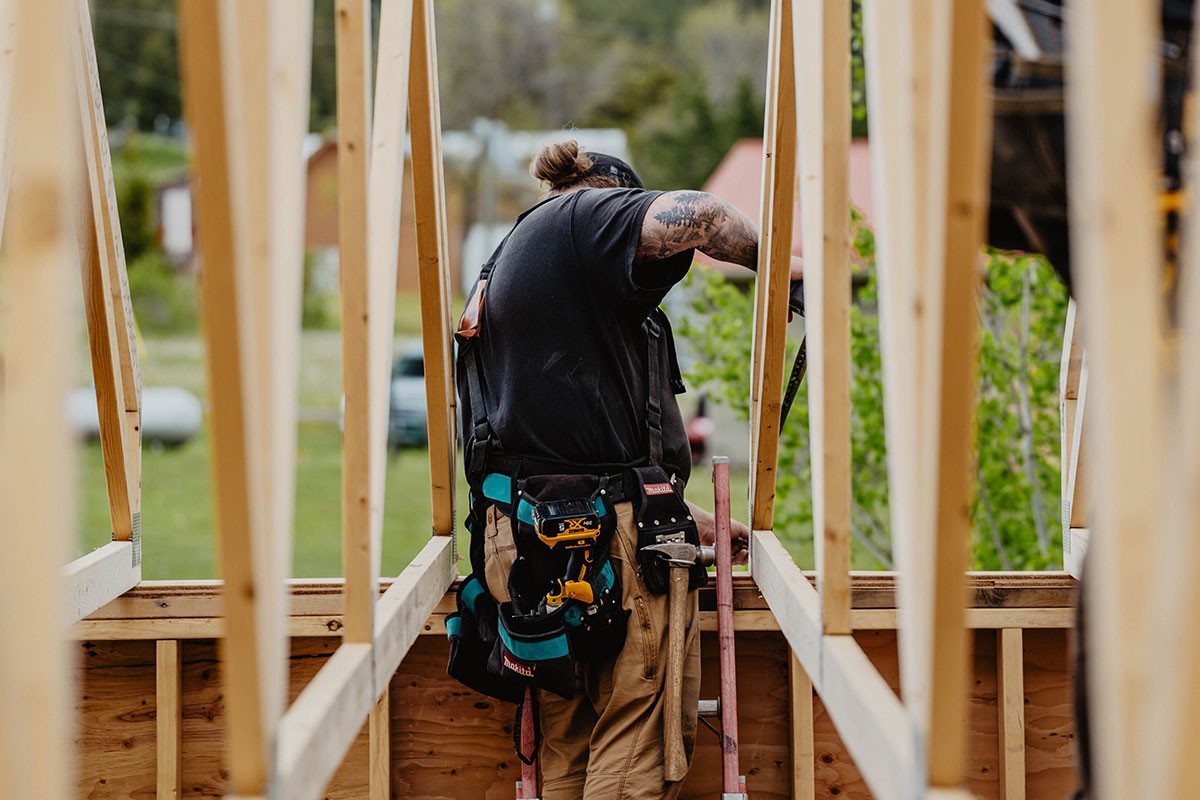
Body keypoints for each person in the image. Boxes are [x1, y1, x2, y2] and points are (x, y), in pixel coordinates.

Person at [447, 140, 803, 800]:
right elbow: (701, 217)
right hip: (609, 547)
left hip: (537, 537)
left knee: (571, 736)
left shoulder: (513, 270)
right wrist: (783, 269)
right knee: (639, 737)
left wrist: (676, 510)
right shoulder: (588, 217)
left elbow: (567, 435)